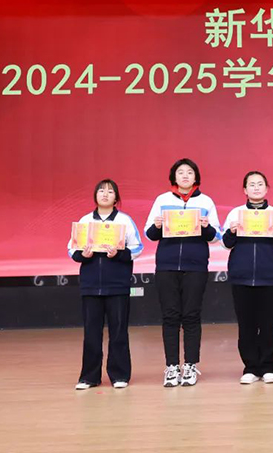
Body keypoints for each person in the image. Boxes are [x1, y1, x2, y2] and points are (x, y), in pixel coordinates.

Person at [144, 158, 221, 387]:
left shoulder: (206, 201)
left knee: (191, 316)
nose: (185, 176)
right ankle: (171, 366)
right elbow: (149, 234)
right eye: (180, 172)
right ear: (174, 177)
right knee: (170, 316)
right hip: (167, 266)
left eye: (189, 172)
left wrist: (206, 226)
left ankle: (190, 365)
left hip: (195, 266)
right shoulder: (162, 200)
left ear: (196, 177)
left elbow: (216, 236)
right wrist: (157, 225)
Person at [69, 179, 143, 390]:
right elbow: (71, 249)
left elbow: (137, 248)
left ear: (116, 198)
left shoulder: (124, 220)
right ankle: (89, 377)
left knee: (118, 332)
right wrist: (82, 254)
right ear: (95, 196)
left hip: (118, 284)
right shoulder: (84, 221)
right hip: (91, 285)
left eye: (110, 192)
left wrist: (118, 253)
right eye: (101, 191)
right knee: (91, 333)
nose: (105, 194)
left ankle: (119, 375)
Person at [222, 171, 273, 384]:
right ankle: (250, 368)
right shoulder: (236, 213)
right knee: (246, 325)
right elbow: (225, 244)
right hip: (241, 277)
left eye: (260, 184)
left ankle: (268, 367)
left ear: (266, 188)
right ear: (245, 190)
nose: (256, 188)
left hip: (269, 276)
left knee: (269, 325)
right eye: (251, 184)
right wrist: (232, 232)